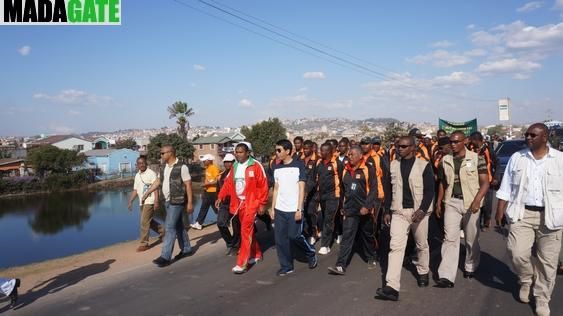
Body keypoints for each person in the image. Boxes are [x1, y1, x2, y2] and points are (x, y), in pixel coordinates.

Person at [495, 123, 563, 316]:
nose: (528, 138)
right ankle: (526, 279)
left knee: (548, 262)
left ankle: (542, 298)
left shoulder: (559, 159)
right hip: (522, 213)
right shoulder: (518, 158)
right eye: (527, 135)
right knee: (516, 252)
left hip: (551, 216)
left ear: (545, 137)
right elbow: (506, 187)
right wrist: (499, 210)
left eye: (533, 135)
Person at [376, 136, 435, 301]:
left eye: (403, 146)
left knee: (421, 244)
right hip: (399, 212)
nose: (399, 149)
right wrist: (387, 210)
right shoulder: (393, 166)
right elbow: (388, 190)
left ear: (412, 148)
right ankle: (392, 287)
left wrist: (422, 210)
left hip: (419, 213)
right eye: (398, 146)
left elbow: (430, 190)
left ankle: (423, 272)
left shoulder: (424, 166)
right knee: (395, 247)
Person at [435, 131, 490, 287]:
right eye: (451, 142)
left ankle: (470, 265)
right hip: (451, 202)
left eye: (456, 142)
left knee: (471, 238)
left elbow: (485, 182)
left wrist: (477, 200)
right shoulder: (445, 160)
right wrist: (439, 202)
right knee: (450, 238)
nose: (453, 144)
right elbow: (442, 182)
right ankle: (446, 275)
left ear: (464, 141)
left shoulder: (476, 158)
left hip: (471, 203)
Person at [216, 143, 269, 274]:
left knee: (245, 231)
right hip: (238, 203)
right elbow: (228, 184)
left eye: (240, 152)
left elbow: (263, 186)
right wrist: (220, 196)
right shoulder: (235, 166)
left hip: (251, 203)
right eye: (236, 152)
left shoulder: (255, 166)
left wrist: (262, 204)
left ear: (247, 153)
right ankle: (256, 253)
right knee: (247, 230)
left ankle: (242, 263)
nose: (238, 154)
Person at [327, 146, 378, 275]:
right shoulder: (344, 169)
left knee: (367, 235)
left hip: (364, 209)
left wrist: (367, 206)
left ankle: (371, 256)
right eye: (349, 154)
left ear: (360, 156)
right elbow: (343, 189)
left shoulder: (368, 168)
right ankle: (340, 265)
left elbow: (373, 189)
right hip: (350, 210)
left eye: (353, 154)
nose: (350, 157)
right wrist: (343, 207)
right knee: (347, 237)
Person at [270, 139, 318, 276]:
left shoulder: (299, 165)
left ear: (288, 151)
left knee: (294, 236)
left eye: (279, 150)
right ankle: (286, 266)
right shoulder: (277, 167)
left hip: (293, 209)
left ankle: (310, 252)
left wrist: (299, 208)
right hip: (280, 209)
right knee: (280, 239)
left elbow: (302, 188)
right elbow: (276, 188)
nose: (277, 153)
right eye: (276, 150)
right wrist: (272, 208)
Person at [143, 145, 194, 267]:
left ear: (170, 153)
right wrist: (148, 192)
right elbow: (158, 182)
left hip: (177, 202)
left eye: (162, 153)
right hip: (167, 201)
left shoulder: (182, 167)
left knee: (169, 228)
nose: (160, 155)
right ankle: (186, 249)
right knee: (179, 226)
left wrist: (190, 202)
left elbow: (188, 185)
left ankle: (165, 257)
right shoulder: (164, 167)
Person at [127, 156, 164, 252]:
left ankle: (144, 244)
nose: (141, 165)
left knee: (144, 222)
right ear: (137, 165)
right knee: (149, 221)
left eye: (143, 163)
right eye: (139, 163)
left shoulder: (151, 173)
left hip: (150, 201)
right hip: (141, 202)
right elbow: (135, 190)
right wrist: (130, 201)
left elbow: (155, 187)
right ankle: (164, 232)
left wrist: (156, 200)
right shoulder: (137, 175)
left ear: (146, 163)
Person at [316, 142, 344, 255]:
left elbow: (342, 180)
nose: (321, 152)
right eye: (320, 150)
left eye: (323, 150)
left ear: (329, 151)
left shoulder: (337, 163)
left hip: (334, 195)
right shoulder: (319, 163)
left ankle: (325, 245)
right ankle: (338, 232)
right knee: (329, 217)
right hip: (322, 196)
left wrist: (342, 198)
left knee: (328, 219)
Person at [469, 131, 497, 231]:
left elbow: (497, 163)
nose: (470, 143)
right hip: (475, 181)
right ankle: (478, 222)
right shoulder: (470, 150)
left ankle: (487, 220)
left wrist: (495, 178)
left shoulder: (488, 150)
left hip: (488, 181)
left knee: (487, 205)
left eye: (472, 141)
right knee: (477, 202)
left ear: (477, 140)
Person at [216, 153, 240, 256]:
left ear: (234, 162)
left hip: (236, 203)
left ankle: (236, 245)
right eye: (226, 162)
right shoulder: (221, 176)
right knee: (221, 223)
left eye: (230, 162)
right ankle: (230, 243)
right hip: (225, 204)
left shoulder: (238, 174)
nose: (227, 164)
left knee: (236, 226)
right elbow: (219, 190)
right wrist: (218, 199)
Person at [191, 154, 220, 230]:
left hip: (214, 192)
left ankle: (224, 219)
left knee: (216, 208)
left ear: (209, 161)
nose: (203, 162)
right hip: (207, 191)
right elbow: (208, 180)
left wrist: (207, 184)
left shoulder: (214, 168)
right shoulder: (207, 168)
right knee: (204, 207)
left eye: (205, 160)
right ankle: (199, 223)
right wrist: (204, 189)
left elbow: (217, 181)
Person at [301, 140, 320, 245]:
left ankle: (314, 234)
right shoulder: (301, 159)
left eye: (307, 148)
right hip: (302, 191)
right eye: (304, 148)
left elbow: (315, 179)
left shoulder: (317, 160)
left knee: (311, 213)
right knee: (304, 214)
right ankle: (306, 232)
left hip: (313, 193)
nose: (305, 150)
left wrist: (307, 191)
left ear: (312, 148)